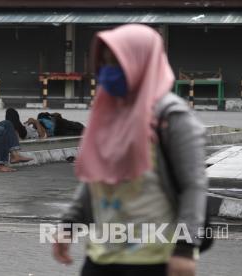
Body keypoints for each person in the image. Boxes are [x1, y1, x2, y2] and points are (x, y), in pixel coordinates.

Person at [52, 24, 208, 276]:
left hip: (154, 259)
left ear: (142, 61)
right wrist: (69, 223)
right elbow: (96, 176)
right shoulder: (109, 110)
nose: (109, 71)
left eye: (117, 62)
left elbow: (193, 185)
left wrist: (185, 248)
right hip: (102, 256)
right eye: (105, 62)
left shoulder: (172, 115)